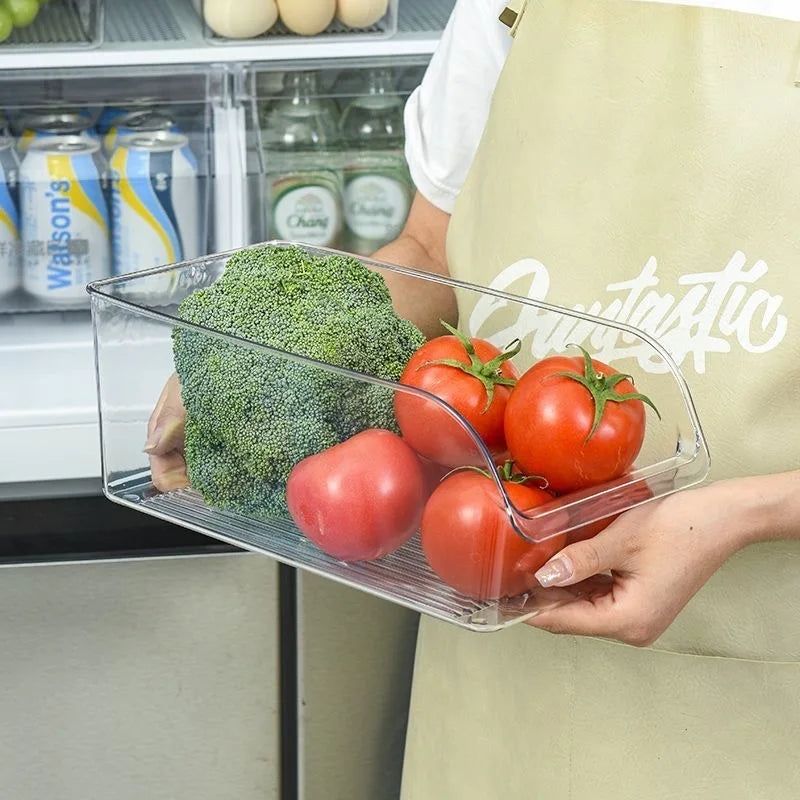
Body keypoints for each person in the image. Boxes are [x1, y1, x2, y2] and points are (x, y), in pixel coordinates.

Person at [146, 1, 800, 796]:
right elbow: (430, 248)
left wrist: (748, 512)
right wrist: (269, 362)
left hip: (757, 678)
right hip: (497, 652)